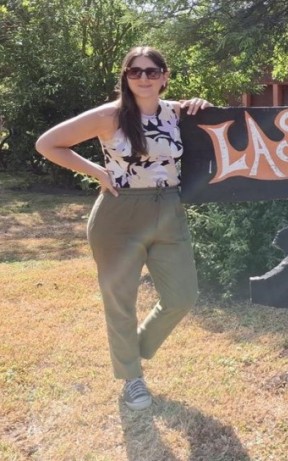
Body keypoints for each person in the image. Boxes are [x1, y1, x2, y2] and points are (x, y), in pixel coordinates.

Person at [35, 46, 212, 411]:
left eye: (152, 71)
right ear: (126, 77)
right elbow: (48, 144)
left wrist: (202, 106)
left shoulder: (177, 113)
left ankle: (133, 348)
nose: (143, 78)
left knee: (183, 296)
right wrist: (97, 172)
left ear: (164, 77)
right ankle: (132, 377)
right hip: (119, 215)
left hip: (169, 209)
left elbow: (214, 135)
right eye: (135, 71)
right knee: (121, 302)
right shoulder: (109, 116)